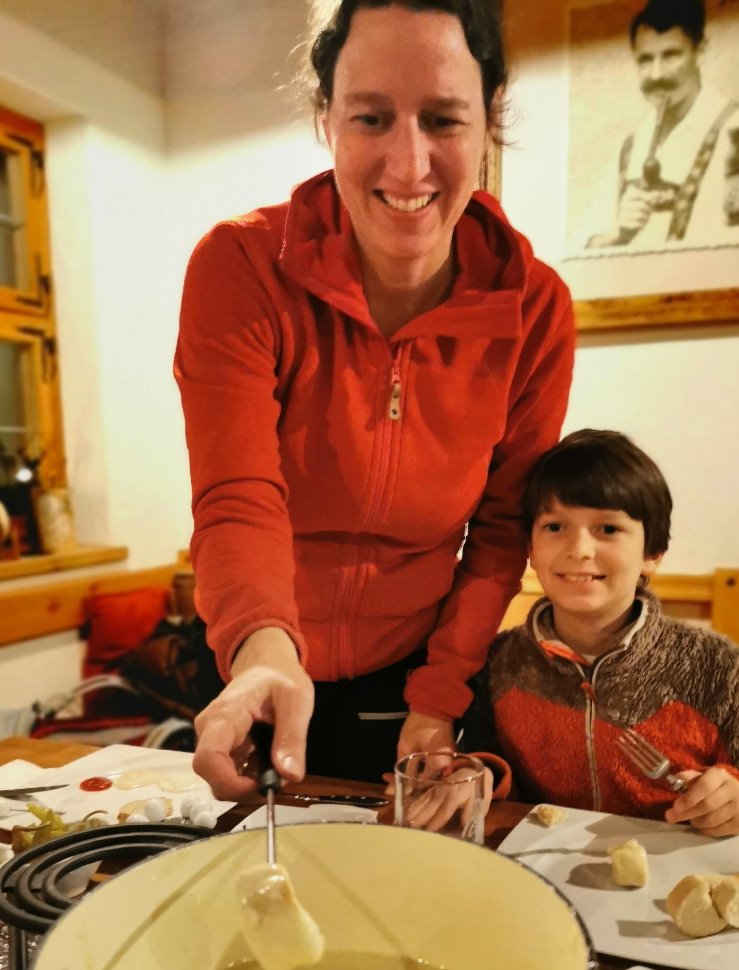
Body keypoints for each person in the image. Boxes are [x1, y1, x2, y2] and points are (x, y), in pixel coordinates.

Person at [174, 1, 575, 799]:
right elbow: (238, 494)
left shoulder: (536, 309)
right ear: (326, 119)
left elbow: (499, 534)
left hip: (413, 680)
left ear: (489, 119)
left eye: (443, 119)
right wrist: (260, 647)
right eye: (371, 118)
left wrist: (438, 696)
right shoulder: (240, 266)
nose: (408, 162)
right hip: (250, 656)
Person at [460, 430, 739, 839]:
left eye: (607, 529)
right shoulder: (500, 661)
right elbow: (488, 764)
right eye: (555, 526)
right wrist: (479, 775)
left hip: (671, 880)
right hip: (543, 872)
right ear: (530, 549)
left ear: (652, 554)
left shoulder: (714, 667)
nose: (580, 549)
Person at [583, 0, 739, 252]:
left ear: (701, 52)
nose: (657, 75)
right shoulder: (632, 145)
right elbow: (581, 250)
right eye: (646, 60)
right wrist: (617, 234)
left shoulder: (738, 130)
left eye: (671, 56)